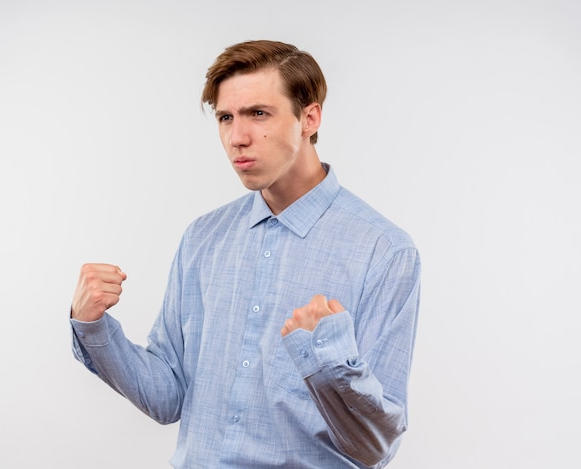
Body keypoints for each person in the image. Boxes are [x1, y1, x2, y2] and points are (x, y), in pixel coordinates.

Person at [70, 40, 420, 469]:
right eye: (225, 118)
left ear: (309, 117)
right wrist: (92, 327)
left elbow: (374, 449)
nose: (237, 138)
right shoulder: (203, 238)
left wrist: (324, 355)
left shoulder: (383, 251)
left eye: (259, 113)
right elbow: (167, 397)